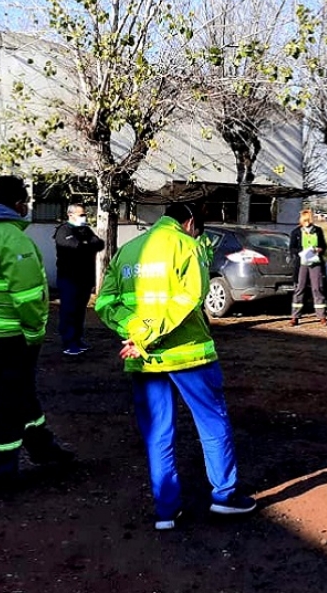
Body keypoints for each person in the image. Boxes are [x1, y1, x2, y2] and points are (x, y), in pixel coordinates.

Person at [95, 202, 257, 530]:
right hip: (189, 355)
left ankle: (166, 511)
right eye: (198, 228)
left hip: (143, 359)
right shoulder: (188, 246)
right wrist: (148, 335)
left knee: (157, 433)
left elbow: (104, 302)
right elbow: (191, 298)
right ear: (190, 222)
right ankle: (225, 497)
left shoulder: (128, 251)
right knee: (213, 424)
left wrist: (135, 334)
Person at [0, 176, 74, 491]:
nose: (28, 205)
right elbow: (26, 297)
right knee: (9, 404)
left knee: (21, 395)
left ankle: (42, 447)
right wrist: (35, 330)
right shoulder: (14, 241)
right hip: (11, 335)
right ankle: (2, 473)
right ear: (15, 203)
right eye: (26, 199)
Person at [54, 203, 105, 356]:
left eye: (84, 214)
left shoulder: (84, 230)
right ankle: (69, 342)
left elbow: (99, 243)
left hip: (84, 278)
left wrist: (86, 244)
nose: (84, 217)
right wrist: (87, 244)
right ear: (71, 215)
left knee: (80, 312)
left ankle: (77, 339)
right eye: (81, 214)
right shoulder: (63, 230)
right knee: (69, 310)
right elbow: (74, 247)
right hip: (69, 278)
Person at [288, 209, 327, 326]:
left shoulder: (318, 231)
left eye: (308, 220)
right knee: (300, 288)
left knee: (317, 288)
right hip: (302, 263)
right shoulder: (296, 232)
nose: (307, 222)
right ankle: (295, 316)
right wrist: (302, 251)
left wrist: (319, 249)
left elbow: (323, 246)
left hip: (315, 262)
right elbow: (292, 248)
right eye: (304, 220)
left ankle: (322, 316)